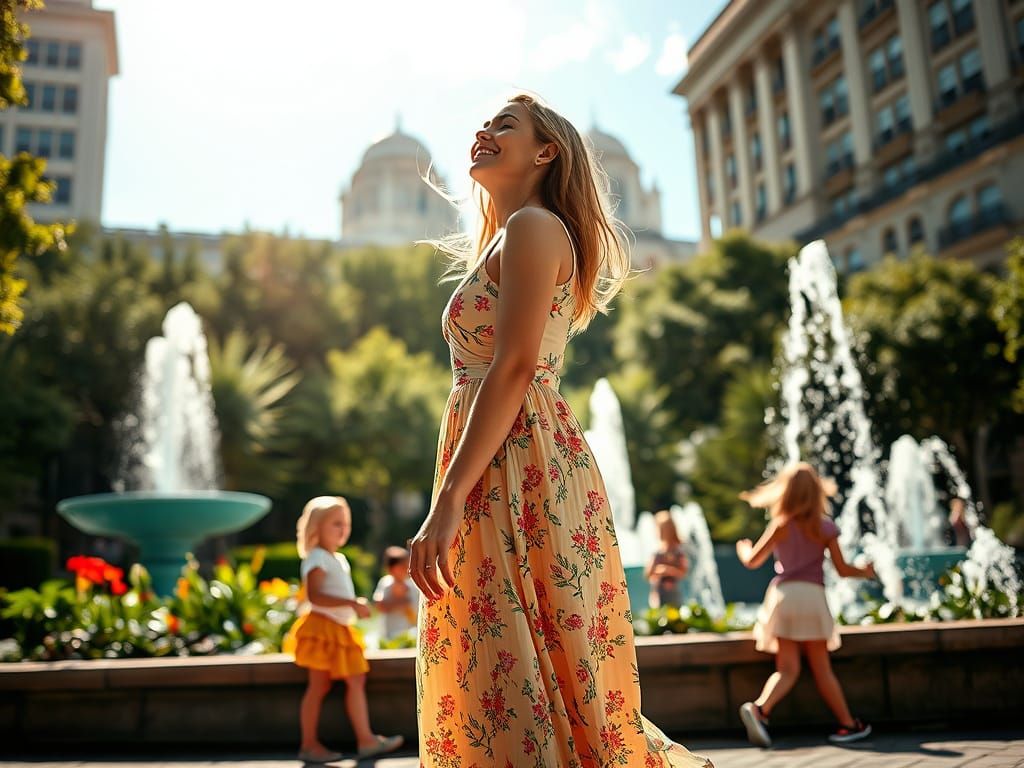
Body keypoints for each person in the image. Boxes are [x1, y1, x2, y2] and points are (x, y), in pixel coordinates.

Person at [407, 92, 712, 767]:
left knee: (526, 659)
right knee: (508, 659)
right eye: (485, 122)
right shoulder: (514, 233)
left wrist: (448, 499)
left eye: (504, 125)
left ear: (546, 151)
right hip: (501, 451)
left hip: (516, 456)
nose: (483, 130)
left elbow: (515, 367)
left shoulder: (534, 226)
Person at [734, 463, 876, 748]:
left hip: (784, 597)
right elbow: (842, 569)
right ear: (816, 492)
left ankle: (760, 708)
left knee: (787, 668)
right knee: (822, 668)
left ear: (785, 492)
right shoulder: (825, 527)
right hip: (812, 597)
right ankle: (848, 725)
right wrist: (865, 571)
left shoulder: (781, 525)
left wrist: (743, 548)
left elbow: (752, 561)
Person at [282, 495, 403, 762]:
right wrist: (351, 603)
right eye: (336, 523)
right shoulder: (317, 558)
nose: (343, 529)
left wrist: (353, 606)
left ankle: (365, 740)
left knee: (354, 679)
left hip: (338, 628)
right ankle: (310, 744)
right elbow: (315, 597)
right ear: (316, 527)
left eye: (345, 523)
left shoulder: (337, 558)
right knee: (319, 685)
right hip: (321, 628)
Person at [372, 545, 420, 639]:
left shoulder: (412, 584)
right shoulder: (386, 583)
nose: (407, 568)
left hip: (411, 633)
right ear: (391, 569)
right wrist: (399, 601)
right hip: (391, 634)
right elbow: (379, 605)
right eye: (403, 566)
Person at [645, 510, 690, 609]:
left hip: (675, 594)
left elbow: (684, 572)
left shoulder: (679, 551)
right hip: (659, 594)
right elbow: (648, 574)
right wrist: (658, 571)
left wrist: (668, 570)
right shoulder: (658, 552)